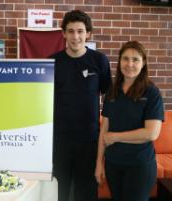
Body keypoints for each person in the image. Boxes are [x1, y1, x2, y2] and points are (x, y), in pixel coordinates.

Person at [50, 10, 111, 201]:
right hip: (59, 140)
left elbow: (108, 96)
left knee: (86, 192)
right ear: (63, 34)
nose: (75, 37)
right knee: (60, 191)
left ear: (88, 33)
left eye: (80, 31)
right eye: (70, 31)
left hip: (89, 140)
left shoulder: (99, 61)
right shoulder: (52, 62)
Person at [95, 41, 164, 201]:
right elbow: (104, 130)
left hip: (139, 166)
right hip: (113, 164)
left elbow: (151, 133)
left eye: (135, 59)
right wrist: (99, 163)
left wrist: (116, 137)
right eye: (125, 59)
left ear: (143, 62)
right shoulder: (112, 91)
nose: (130, 64)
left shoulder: (151, 93)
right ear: (119, 62)